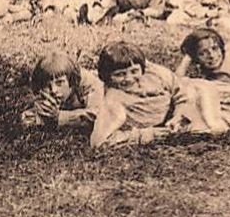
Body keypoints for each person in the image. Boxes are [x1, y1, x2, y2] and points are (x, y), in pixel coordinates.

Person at [89, 43, 222, 148]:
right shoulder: (114, 100)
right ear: (107, 77)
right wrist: (148, 134)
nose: (129, 78)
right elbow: (99, 142)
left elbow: (180, 92)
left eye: (134, 71)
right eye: (120, 74)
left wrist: (178, 116)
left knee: (208, 94)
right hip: (159, 123)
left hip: (186, 105)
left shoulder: (156, 75)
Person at [19, 48, 101, 131]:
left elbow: (97, 116)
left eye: (59, 83)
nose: (54, 90)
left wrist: (60, 117)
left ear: (72, 83)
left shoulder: (90, 84)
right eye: (47, 85)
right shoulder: (47, 89)